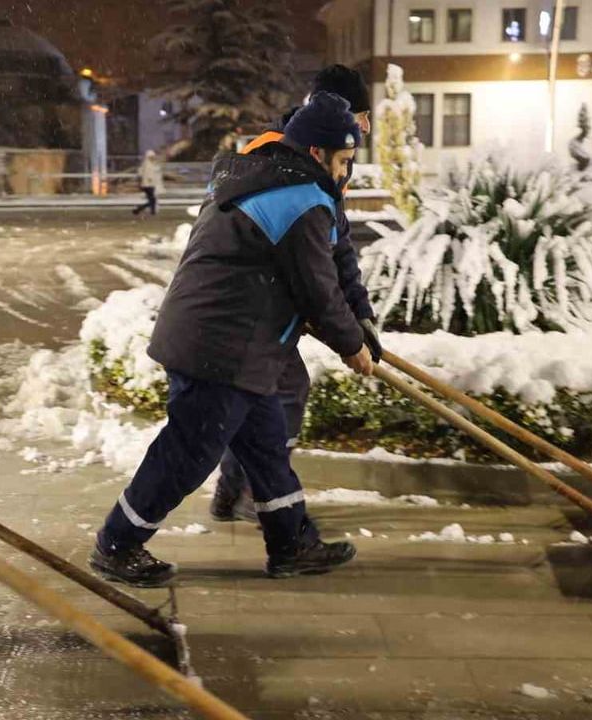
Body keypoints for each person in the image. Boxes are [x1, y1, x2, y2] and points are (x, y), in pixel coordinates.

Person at [89, 92, 374, 587]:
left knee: (265, 449)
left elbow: (301, 272)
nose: (346, 173)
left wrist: (354, 328)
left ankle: (292, 544)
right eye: (344, 161)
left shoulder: (265, 177)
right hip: (220, 348)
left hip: (237, 344)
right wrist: (353, 345)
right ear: (316, 153)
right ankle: (117, 544)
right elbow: (318, 289)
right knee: (189, 452)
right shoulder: (301, 200)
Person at [211, 64, 383, 524]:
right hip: (248, 302)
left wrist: (359, 315)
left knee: (266, 394)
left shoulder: (331, 156)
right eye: (361, 113)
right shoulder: (276, 152)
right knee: (281, 391)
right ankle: (252, 492)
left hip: (273, 302)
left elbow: (336, 242)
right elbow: (282, 241)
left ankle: (234, 491)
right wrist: (341, 331)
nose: (365, 126)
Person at [132, 149, 164, 216]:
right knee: (152, 200)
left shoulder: (147, 163)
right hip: (148, 184)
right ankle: (139, 209)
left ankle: (149, 211)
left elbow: (140, 173)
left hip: (148, 184)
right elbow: (148, 174)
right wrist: (150, 180)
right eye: (152, 156)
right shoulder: (148, 164)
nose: (153, 157)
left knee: (152, 199)